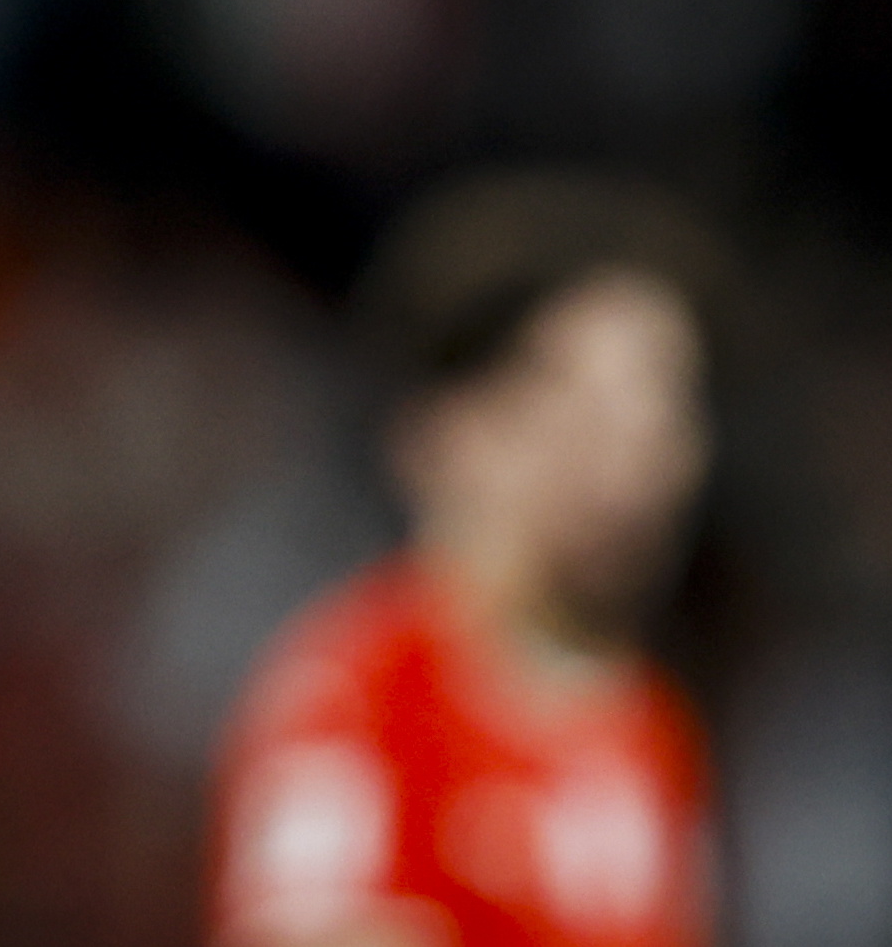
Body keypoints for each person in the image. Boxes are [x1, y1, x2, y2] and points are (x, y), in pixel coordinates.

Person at [208, 176, 725, 947]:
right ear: (449, 431)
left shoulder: (652, 728)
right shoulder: (354, 692)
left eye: (663, 418)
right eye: (588, 418)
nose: (635, 471)